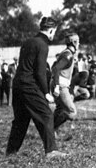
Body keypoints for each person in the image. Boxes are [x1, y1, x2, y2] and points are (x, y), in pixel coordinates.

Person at [5, 16, 65, 159]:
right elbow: (39, 71)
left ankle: (11, 152)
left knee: (20, 120)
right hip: (29, 85)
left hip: (18, 85)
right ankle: (51, 151)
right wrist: (46, 92)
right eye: (54, 32)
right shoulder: (42, 45)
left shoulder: (28, 42)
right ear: (51, 30)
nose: (54, 35)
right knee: (46, 114)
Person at [51, 32, 80, 142]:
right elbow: (56, 69)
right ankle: (50, 129)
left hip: (61, 84)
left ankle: (51, 132)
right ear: (74, 42)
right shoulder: (68, 55)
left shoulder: (67, 54)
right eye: (78, 42)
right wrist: (57, 87)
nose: (79, 44)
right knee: (71, 112)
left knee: (60, 109)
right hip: (61, 85)